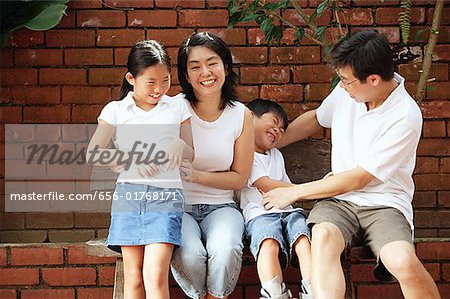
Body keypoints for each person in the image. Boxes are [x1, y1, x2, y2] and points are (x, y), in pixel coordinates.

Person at [262, 30, 441, 299]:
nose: (342, 86)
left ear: (373, 79)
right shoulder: (349, 91)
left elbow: (360, 178)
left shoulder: (405, 115)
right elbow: (318, 118)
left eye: (346, 81)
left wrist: (295, 191)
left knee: (403, 261)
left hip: (384, 205)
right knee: (322, 238)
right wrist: (273, 141)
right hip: (339, 202)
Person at [87, 40, 193, 299]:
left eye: (165, 81)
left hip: (166, 197)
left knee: (154, 274)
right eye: (151, 82)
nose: (159, 89)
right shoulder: (116, 110)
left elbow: (191, 152)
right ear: (131, 78)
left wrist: (180, 144)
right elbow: (94, 153)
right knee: (134, 277)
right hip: (129, 197)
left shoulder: (178, 106)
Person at [170, 32, 254, 299]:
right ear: (185, 75)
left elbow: (239, 178)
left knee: (226, 247)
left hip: (223, 207)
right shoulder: (172, 109)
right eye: (195, 66)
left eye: (212, 62)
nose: (205, 72)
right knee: (190, 254)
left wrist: (196, 176)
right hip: (178, 206)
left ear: (226, 67)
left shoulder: (241, 115)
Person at [240, 99, 313, 299]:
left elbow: (286, 187)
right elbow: (264, 183)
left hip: (288, 212)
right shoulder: (244, 153)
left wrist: (296, 192)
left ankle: (313, 288)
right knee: (268, 242)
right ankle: (274, 292)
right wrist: (308, 189)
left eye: (281, 129)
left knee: (303, 240)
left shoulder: (276, 155)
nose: (277, 130)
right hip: (260, 215)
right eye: (273, 122)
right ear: (250, 117)